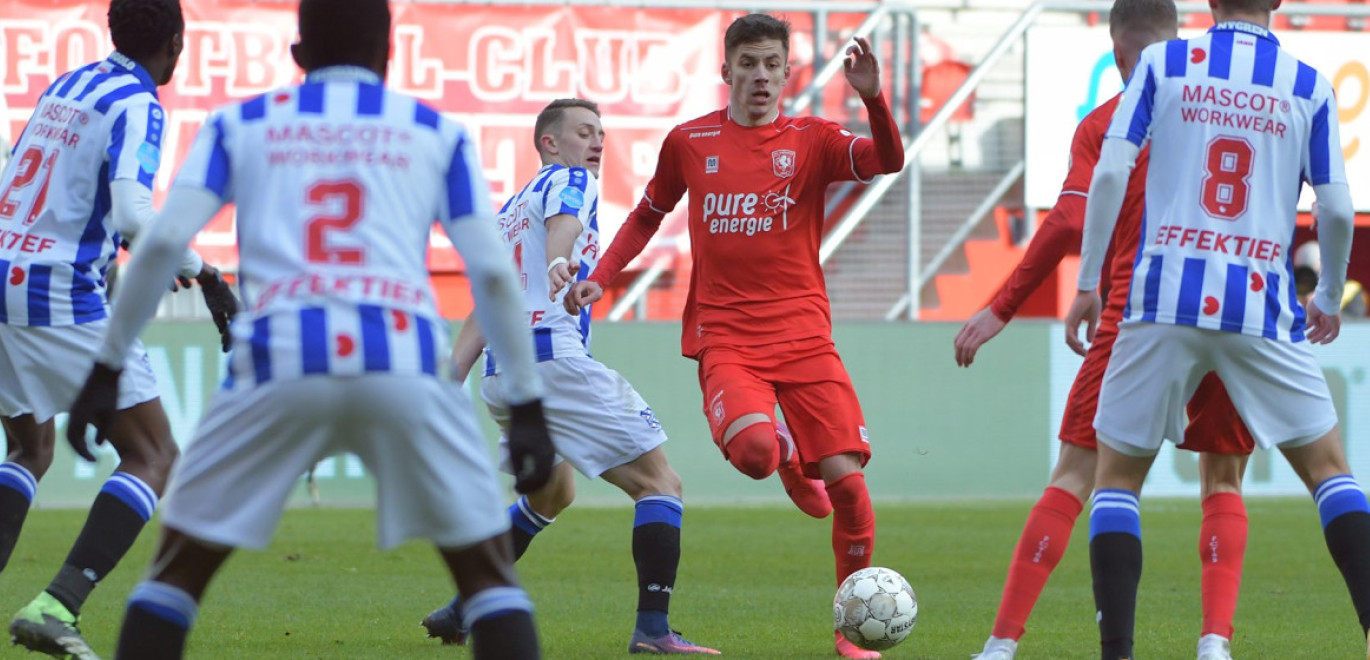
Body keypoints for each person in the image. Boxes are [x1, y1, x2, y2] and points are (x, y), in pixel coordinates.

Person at [62, 0, 558, 658]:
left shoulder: (241, 125)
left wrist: (105, 368)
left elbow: (157, 248)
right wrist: (526, 402)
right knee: (489, 579)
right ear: (390, 58)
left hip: (277, 364)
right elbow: (494, 274)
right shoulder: (435, 133)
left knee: (176, 574)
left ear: (298, 57)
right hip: (404, 365)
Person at [565, 13, 904, 659]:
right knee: (751, 454)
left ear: (787, 72)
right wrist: (600, 277)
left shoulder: (813, 138)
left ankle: (848, 629)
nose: (760, 76)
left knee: (850, 489)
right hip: (727, 337)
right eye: (747, 63)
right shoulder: (690, 141)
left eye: (772, 64)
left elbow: (886, 159)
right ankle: (781, 453)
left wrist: (874, 98)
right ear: (726, 71)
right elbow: (647, 214)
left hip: (805, 336)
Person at [1064, 0, 1370, 658]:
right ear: (1278, 3)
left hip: (1161, 298)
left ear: (1210, 3)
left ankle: (1118, 651)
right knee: (1328, 471)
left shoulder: (1163, 62)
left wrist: (1090, 282)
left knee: (1118, 479)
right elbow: (1339, 208)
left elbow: (1113, 171)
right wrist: (1324, 294)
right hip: (1260, 302)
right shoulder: (1307, 85)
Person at [955, 2, 1252, 658]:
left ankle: (1002, 647)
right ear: (1180, 42)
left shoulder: (1107, 122)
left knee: (1082, 476)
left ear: (1117, 53)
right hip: (1229, 307)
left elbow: (1066, 222)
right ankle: (1213, 646)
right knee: (1222, 480)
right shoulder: (1228, 113)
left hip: (1137, 313)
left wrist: (1000, 307)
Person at [419, 98, 719, 655]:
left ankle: (465, 606)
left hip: (504, 374)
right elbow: (567, 225)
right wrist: (561, 259)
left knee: (554, 493)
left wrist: (449, 378)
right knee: (661, 484)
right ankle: (653, 630)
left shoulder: (509, 210)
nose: (597, 143)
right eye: (584, 132)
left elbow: (489, 295)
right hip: (551, 360)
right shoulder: (568, 179)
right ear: (549, 143)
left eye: (601, 133)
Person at [0, 1, 236, 657]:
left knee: (31, 449)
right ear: (175, 43)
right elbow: (133, 214)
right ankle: (56, 604)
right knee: (154, 455)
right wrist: (206, 272)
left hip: (2, 276)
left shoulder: (67, 85)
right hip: (55, 289)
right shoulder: (138, 103)